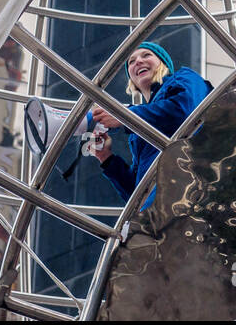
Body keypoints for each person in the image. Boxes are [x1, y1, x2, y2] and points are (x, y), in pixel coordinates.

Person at [88, 40, 211, 210]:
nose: (138, 61)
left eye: (146, 55)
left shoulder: (184, 77)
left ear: (164, 64)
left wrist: (126, 116)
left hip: (189, 194)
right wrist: (106, 158)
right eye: (131, 61)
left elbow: (185, 111)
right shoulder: (138, 127)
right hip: (156, 210)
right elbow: (137, 193)